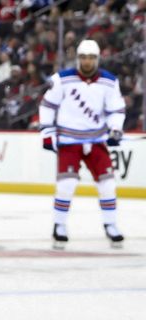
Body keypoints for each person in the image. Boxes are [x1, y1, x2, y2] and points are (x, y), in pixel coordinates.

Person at [39, 39, 126, 249]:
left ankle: (111, 225)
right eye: (84, 57)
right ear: (78, 58)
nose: (87, 62)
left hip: (97, 140)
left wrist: (115, 129)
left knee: (108, 184)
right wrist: (47, 132)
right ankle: (59, 226)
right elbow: (47, 106)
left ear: (97, 59)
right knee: (66, 185)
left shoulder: (109, 81)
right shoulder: (61, 80)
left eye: (91, 58)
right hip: (69, 141)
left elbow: (116, 109)